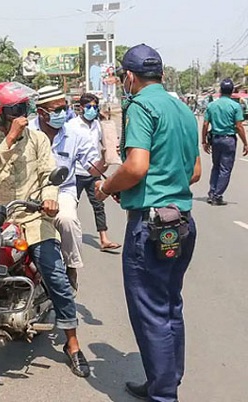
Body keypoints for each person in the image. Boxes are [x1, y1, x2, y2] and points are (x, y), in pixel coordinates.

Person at [95, 44, 202, 402]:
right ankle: (164, 382)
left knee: (151, 312)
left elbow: (136, 167)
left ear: (129, 77)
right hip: (181, 221)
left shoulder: (140, 106)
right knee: (170, 305)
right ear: (162, 74)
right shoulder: (183, 110)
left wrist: (107, 187)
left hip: (151, 225)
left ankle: (163, 395)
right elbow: (196, 172)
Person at [0, 81, 91, 378]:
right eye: (16, 110)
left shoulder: (38, 139)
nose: (23, 115)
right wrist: (9, 140)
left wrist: (50, 199)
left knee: (55, 276)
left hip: (33, 216)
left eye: (24, 109)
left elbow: (48, 174)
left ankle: (73, 345)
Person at [29, 85, 105, 292]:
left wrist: (106, 159)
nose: (62, 114)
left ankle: (71, 266)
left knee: (67, 220)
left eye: (64, 108)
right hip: (29, 192)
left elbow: (92, 166)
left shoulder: (74, 134)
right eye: (56, 110)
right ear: (41, 112)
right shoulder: (27, 132)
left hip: (62, 190)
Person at [69, 93, 121, 251]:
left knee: (98, 205)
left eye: (95, 107)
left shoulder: (98, 125)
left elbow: (107, 142)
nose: (92, 110)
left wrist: (112, 147)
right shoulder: (72, 126)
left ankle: (104, 239)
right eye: (89, 107)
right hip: (76, 172)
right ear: (82, 108)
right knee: (70, 207)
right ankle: (65, 239)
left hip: (94, 171)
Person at [202, 78, 248, 205]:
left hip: (215, 139)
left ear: (221, 90)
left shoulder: (212, 105)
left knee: (216, 166)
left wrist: (204, 141)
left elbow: (205, 125)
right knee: (225, 169)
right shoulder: (235, 106)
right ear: (232, 91)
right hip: (228, 140)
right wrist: (245, 143)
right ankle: (217, 195)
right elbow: (239, 126)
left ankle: (212, 192)